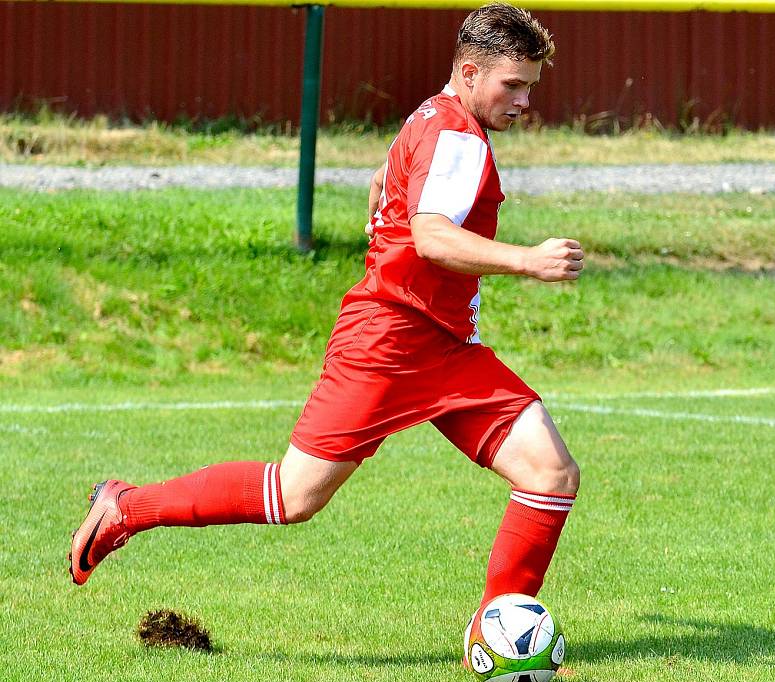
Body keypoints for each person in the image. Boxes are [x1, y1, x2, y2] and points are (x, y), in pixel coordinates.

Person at [69, 3, 582, 627]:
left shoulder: (430, 115)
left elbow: (379, 183)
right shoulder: (456, 136)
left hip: (443, 347)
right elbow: (431, 236)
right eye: (514, 85)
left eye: (530, 86)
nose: (524, 101)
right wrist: (529, 260)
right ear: (471, 72)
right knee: (293, 494)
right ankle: (128, 507)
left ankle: (498, 628)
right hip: (388, 343)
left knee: (549, 473)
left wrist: (386, 231)